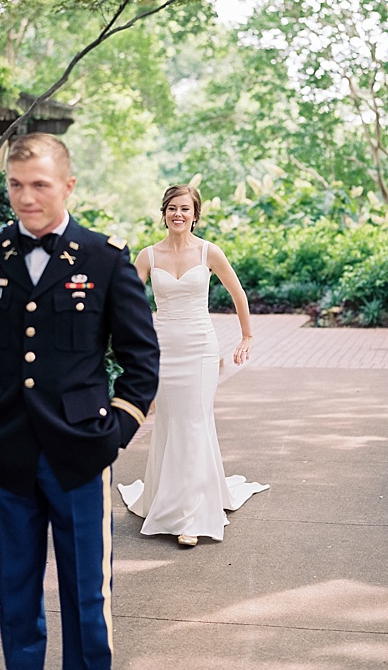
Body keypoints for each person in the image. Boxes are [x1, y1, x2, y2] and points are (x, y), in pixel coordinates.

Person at [0, 133, 160, 670]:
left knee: (88, 599)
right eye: (16, 185)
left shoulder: (103, 258)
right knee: (16, 597)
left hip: (80, 453)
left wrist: (114, 434)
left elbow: (141, 360)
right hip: (2, 450)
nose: (25, 197)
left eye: (39, 184)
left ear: (68, 185)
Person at [118, 184, 268, 547]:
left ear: (195, 214)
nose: (178, 214)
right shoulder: (148, 257)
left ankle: (192, 515)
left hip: (201, 348)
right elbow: (125, 301)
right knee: (171, 422)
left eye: (185, 208)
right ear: (164, 213)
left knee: (196, 420)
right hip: (164, 347)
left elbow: (237, 292)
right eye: (172, 208)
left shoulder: (209, 252)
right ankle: (162, 497)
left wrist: (246, 336)